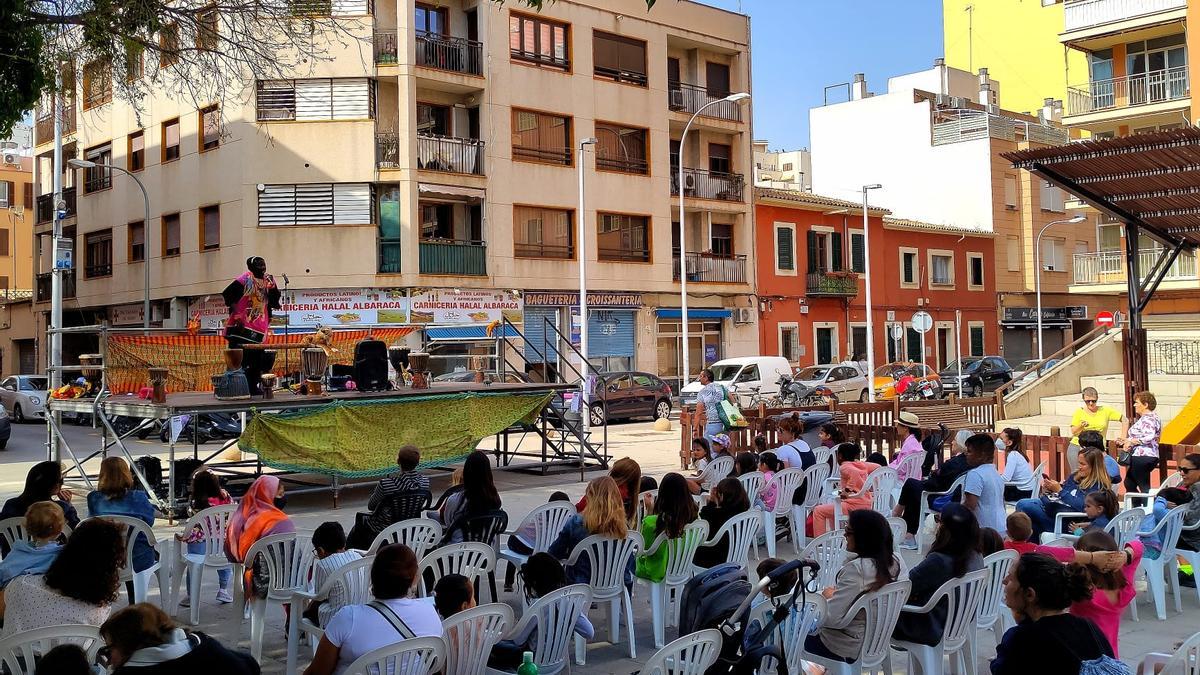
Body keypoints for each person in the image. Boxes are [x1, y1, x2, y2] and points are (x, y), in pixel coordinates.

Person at [303, 544, 442, 675]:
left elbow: (317, 672)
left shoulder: (348, 618)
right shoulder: (430, 613)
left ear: (372, 577)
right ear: (413, 579)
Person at [991, 553, 1115, 674]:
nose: (1004, 581)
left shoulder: (1020, 638)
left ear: (1030, 594)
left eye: (1010, 577)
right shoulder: (1087, 625)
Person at [2, 518, 125, 637]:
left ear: (66, 550)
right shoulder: (98, 609)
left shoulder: (20, 585)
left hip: (16, 657)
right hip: (74, 658)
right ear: (109, 568)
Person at [806, 510, 900, 664]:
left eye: (848, 531)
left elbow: (831, 619)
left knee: (785, 633)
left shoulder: (857, 569)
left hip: (844, 645)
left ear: (864, 537)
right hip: (877, 641)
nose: (844, 535)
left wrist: (828, 597)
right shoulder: (894, 563)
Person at [1034, 530, 1141, 657]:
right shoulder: (1124, 586)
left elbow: (1039, 552)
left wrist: (1091, 557)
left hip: (1082, 656)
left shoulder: (1083, 587)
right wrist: (1125, 555)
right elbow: (1139, 545)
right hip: (1111, 656)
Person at [893, 504, 984, 645]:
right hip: (958, 623)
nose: (935, 524)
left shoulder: (939, 560)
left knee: (875, 612)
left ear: (945, 528)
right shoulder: (976, 555)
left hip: (930, 626)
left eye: (937, 519)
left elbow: (905, 586)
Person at [490, 553, 595, 671]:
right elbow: (589, 632)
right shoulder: (570, 603)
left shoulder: (538, 606)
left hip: (530, 663)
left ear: (534, 583)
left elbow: (518, 640)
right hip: (557, 661)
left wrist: (512, 627)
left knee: (489, 647)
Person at [98, 602, 259, 673]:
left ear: (130, 645)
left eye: (108, 650)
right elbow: (249, 664)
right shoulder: (202, 645)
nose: (108, 659)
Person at [893, 430, 973, 549]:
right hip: (956, 496)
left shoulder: (954, 463)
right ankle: (904, 527)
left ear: (961, 443)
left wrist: (932, 476)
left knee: (912, 486)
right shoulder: (970, 462)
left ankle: (898, 517)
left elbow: (936, 483)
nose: (952, 442)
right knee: (914, 488)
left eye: (955, 440)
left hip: (943, 497)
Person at [548, 476, 632, 586]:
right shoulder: (623, 528)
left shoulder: (576, 522)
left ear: (590, 498)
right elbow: (630, 563)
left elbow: (554, 553)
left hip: (581, 584)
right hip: (615, 585)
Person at [1015, 448, 1111, 542]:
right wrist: (1054, 488)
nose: (1079, 467)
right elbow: (1066, 492)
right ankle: (1031, 549)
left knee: (1023, 505)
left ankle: (1024, 546)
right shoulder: (1077, 476)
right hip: (1058, 509)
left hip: (1069, 521)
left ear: (1094, 466)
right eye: (1079, 463)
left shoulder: (1097, 485)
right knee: (1032, 521)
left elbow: (1084, 506)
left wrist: (1060, 490)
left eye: (1083, 464)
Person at [225, 475, 295, 600]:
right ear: (267, 495)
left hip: (254, 574)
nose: (283, 498)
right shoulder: (282, 521)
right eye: (279, 494)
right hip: (283, 580)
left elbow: (231, 551)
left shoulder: (241, 517)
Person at [347, 445, 429, 550]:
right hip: (410, 527)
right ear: (418, 463)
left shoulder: (386, 484)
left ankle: (350, 554)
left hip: (385, 528)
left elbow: (371, 506)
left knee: (360, 524)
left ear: (398, 461)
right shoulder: (425, 482)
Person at [87, 457, 157, 579]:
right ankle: (136, 594)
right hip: (137, 558)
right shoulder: (138, 497)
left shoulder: (93, 498)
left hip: (104, 557)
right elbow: (148, 523)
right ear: (127, 474)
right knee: (145, 545)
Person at [222, 256, 281, 395]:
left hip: (259, 324)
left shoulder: (269, 280)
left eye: (263, 263)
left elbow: (274, 301)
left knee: (257, 358)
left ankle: (252, 386)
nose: (262, 267)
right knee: (240, 358)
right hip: (241, 326)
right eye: (258, 264)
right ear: (251, 267)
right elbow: (228, 294)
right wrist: (236, 312)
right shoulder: (244, 279)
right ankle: (235, 388)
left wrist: (272, 289)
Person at [178, 468, 234, 607]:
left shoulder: (196, 502)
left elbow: (194, 525)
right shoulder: (225, 497)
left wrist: (184, 536)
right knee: (225, 563)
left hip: (200, 544)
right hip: (223, 542)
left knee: (193, 566)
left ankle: (191, 595)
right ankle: (223, 589)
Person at [0, 461, 79, 553]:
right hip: (52, 561)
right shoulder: (60, 508)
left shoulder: (10, 504)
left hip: (13, 558)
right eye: (60, 481)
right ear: (54, 485)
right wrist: (69, 504)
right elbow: (76, 533)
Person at [635, 472, 699, 583]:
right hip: (682, 567)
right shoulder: (694, 520)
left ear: (662, 494)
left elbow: (645, 547)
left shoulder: (652, 522)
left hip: (658, 570)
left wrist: (650, 512)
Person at [503, 491, 570, 592]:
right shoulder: (566, 519)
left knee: (513, 550)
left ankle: (508, 581)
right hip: (542, 547)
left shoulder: (542, 514)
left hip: (521, 542)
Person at [811, 443, 881, 537]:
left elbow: (853, 477)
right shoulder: (861, 465)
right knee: (832, 506)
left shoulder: (844, 467)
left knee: (818, 510)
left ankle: (819, 544)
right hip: (866, 503)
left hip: (852, 506)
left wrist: (844, 494)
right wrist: (873, 484)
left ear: (839, 456)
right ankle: (837, 537)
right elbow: (878, 467)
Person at [302, 522, 363, 628]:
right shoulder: (357, 556)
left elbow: (320, 596)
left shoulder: (324, 565)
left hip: (335, 621)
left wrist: (307, 609)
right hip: (360, 615)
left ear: (321, 550)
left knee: (308, 611)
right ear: (344, 544)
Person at [436, 450, 502, 543]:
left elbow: (448, 522)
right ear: (488, 473)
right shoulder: (495, 500)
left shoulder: (455, 500)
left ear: (466, 472)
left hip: (456, 553)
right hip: (484, 553)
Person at [0, 501, 64, 593]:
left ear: (27, 528)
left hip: (16, 596)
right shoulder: (62, 555)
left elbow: (3, 572)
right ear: (60, 530)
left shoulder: (18, 552)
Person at [1067, 387, 1126, 474]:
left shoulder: (1105, 410)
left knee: (1097, 474)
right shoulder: (1079, 412)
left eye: (1093, 401)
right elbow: (1073, 431)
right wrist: (1081, 425)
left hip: (1097, 448)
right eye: (1087, 401)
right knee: (1077, 474)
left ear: (1097, 399)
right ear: (1083, 400)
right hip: (1078, 446)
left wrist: (1123, 437)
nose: (1091, 403)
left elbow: (1125, 420)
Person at [694, 478, 751, 568]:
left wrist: (712, 503)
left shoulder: (715, 515)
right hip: (737, 556)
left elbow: (704, 519)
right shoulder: (745, 514)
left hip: (716, 559)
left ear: (721, 496)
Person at [1118, 391, 1162, 506]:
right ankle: (1138, 506)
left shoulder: (1149, 418)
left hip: (1143, 456)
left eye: (1137, 403)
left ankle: (1148, 509)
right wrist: (1126, 440)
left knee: (1143, 485)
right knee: (1129, 482)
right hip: (1143, 455)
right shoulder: (1149, 418)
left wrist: (1131, 442)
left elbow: (1149, 436)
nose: (1134, 405)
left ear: (1145, 404)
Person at [963, 433, 1008, 534]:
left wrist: (952, 512)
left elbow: (970, 505)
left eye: (969, 451)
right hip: (1002, 528)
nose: (966, 454)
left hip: (983, 531)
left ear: (982, 455)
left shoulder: (975, 474)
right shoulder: (995, 473)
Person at [1138, 486, 1191, 559]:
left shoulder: (1167, 515)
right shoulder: (1176, 516)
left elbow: (1157, 509)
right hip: (1162, 550)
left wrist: (1161, 500)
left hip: (1152, 550)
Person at [695, 368, 736, 442]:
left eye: (701, 376)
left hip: (713, 424)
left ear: (706, 378)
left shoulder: (702, 392)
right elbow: (733, 401)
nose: (699, 378)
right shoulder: (722, 387)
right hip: (726, 424)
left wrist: (695, 428)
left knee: (711, 449)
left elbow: (699, 412)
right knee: (722, 448)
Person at [998, 428, 1035, 501]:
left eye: (1001, 439)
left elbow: (1006, 478)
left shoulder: (1013, 455)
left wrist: (993, 479)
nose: (998, 441)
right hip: (1029, 490)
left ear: (1009, 443)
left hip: (1022, 493)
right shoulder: (1018, 454)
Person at [890, 411, 926, 482]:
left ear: (905, 428)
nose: (897, 427)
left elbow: (902, 468)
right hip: (914, 479)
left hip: (902, 480)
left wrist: (887, 468)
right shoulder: (915, 441)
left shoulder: (909, 445)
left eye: (899, 425)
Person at [1175, 453, 1200, 552]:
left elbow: (1191, 521)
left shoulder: (1197, 488)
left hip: (1192, 539)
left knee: (1148, 540)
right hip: (1183, 533)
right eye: (1180, 469)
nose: (1181, 473)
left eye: (1186, 470)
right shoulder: (1185, 483)